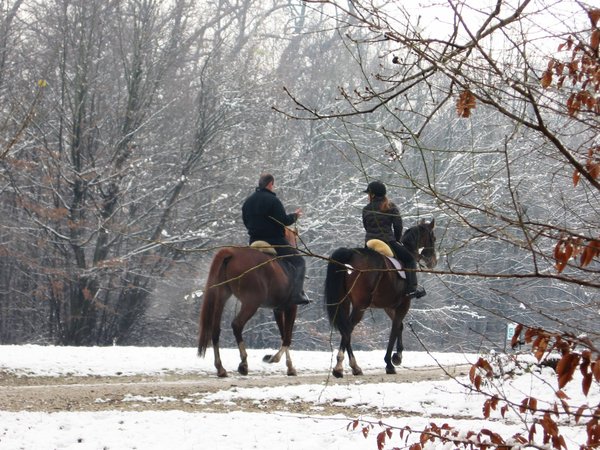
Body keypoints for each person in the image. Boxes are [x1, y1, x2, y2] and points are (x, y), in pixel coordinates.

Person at [242, 173, 310, 306]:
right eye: (273, 185)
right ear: (270, 184)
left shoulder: (248, 202)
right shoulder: (273, 201)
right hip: (274, 241)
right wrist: (295, 216)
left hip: (254, 241)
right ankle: (296, 295)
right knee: (300, 262)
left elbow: (246, 221)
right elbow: (283, 221)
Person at [362, 180, 426, 299]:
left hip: (369, 243)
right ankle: (412, 289)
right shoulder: (390, 207)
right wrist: (397, 240)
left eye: (368, 194)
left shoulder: (366, 209)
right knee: (410, 259)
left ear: (373, 195)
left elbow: (366, 226)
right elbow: (398, 226)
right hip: (387, 242)